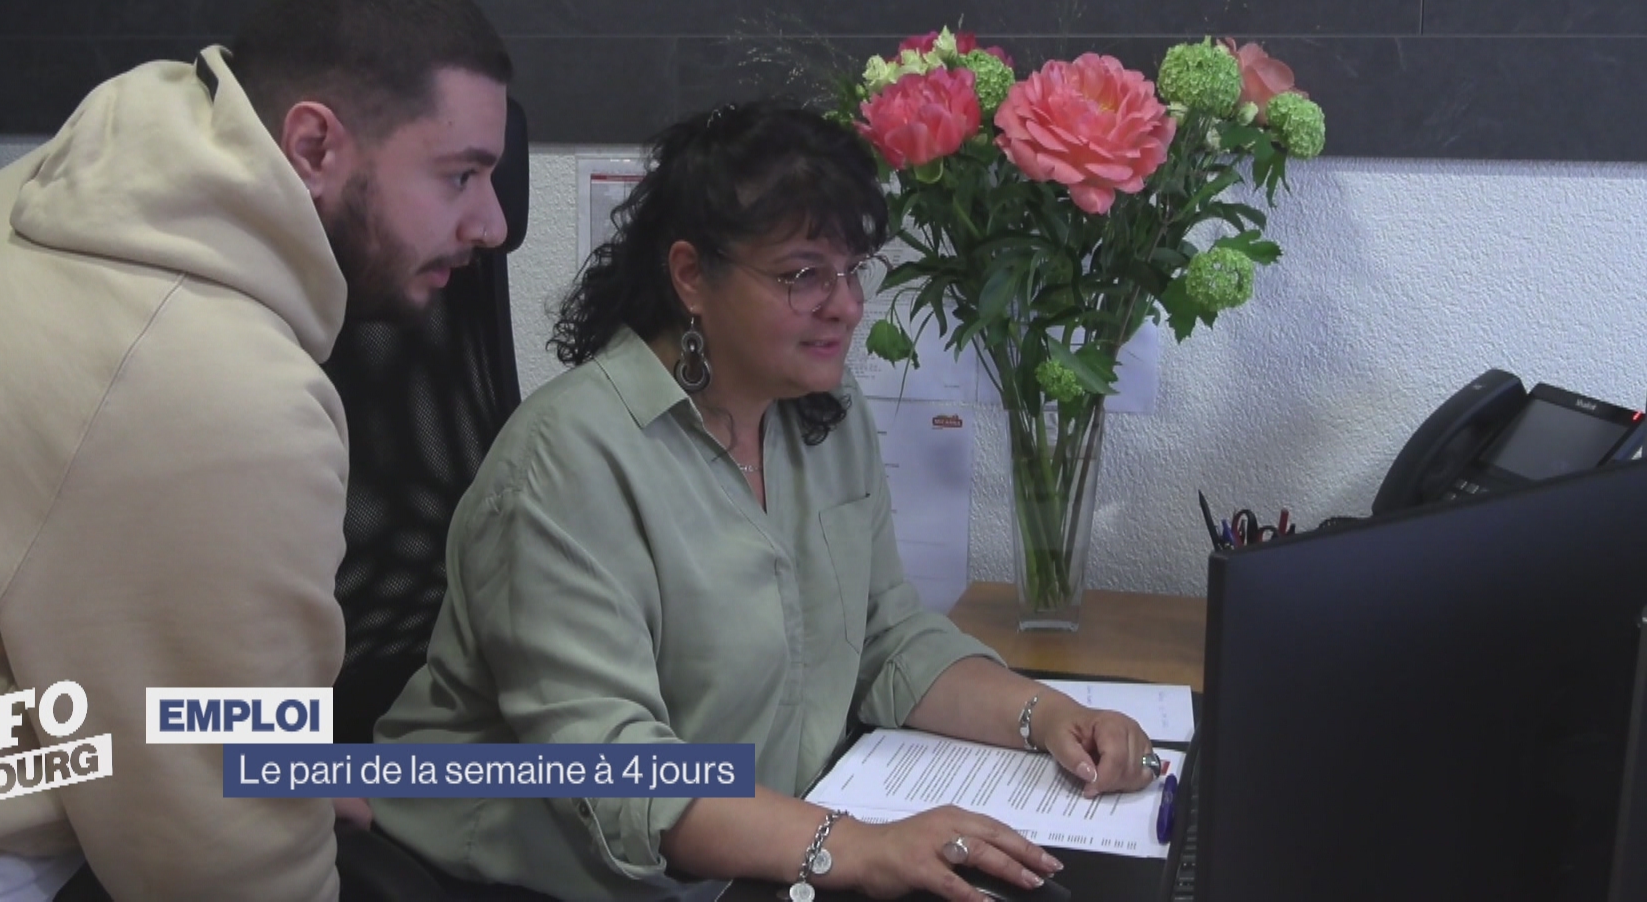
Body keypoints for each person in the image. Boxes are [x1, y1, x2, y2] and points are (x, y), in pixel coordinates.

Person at [0, 0, 512, 900]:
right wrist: (256, 811)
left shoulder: (96, 184)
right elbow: (224, 876)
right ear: (312, 147)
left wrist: (271, 770)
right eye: (460, 177)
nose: (494, 225)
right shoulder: (210, 386)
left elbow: (173, 712)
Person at [372, 101, 1163, 902]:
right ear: (691, 276)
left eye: (852, 269)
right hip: (544, 879)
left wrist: (1048, 717)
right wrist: (855, 847)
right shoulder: (564, 463)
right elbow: (617, 771)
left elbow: (885, 637)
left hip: (764, 843)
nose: (845, 305)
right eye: (803, 274)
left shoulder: (822, 413)